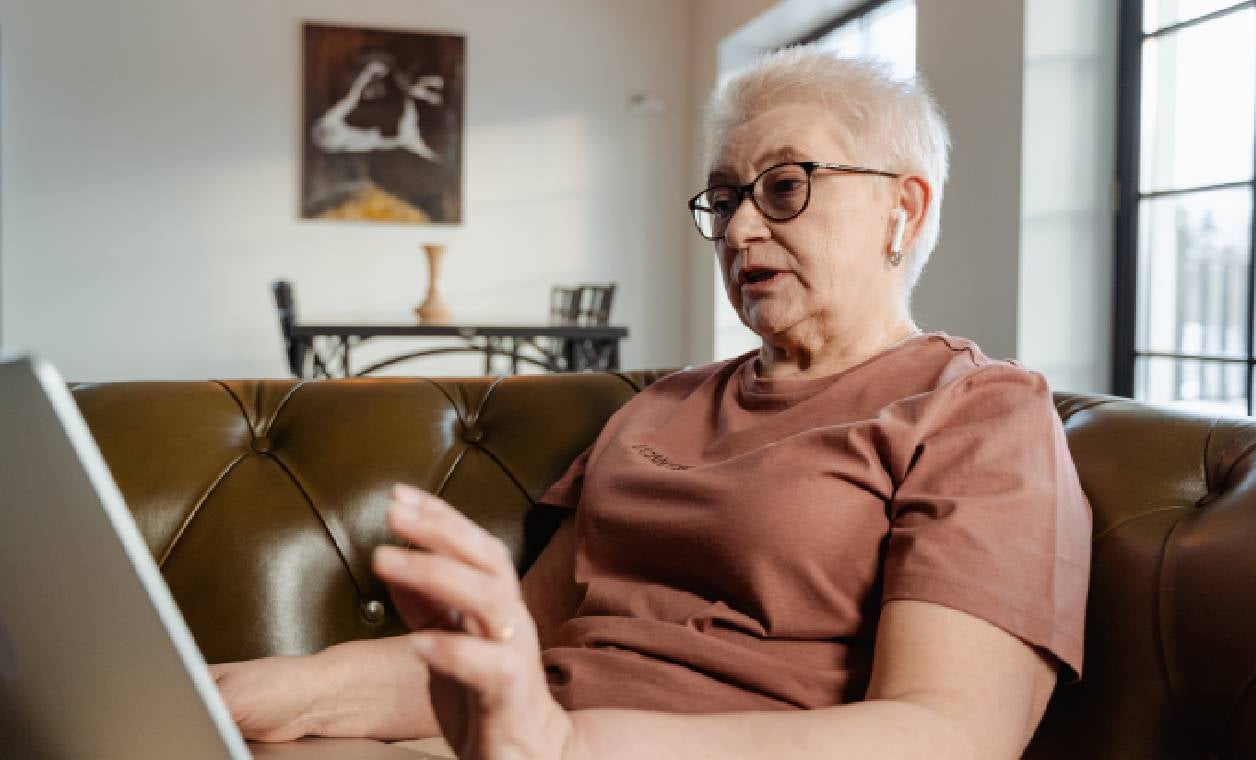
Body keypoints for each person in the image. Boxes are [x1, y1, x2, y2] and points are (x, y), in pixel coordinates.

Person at [211, 47, 1091, 759]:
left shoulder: (979, 412)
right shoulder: (660, 406)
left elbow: (950, 736)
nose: (742, 229)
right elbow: (514, 653)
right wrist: (275, 689)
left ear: (904, 208)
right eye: (724, 198)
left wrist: (566, 745)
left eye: (785, 187)